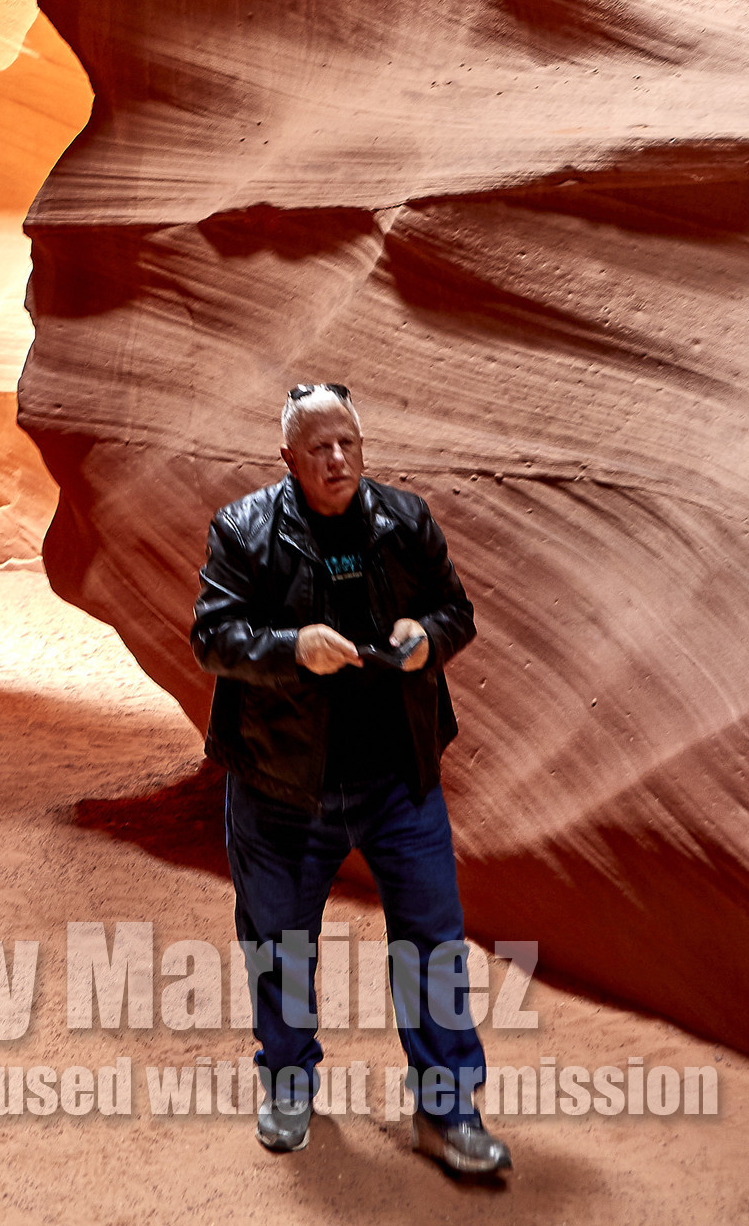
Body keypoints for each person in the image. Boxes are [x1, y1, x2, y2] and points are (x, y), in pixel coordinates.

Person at [191, 381, 511, 1178]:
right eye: (320, 449)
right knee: (278, 942)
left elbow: (456, 610)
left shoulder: (405, 521)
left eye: (349, 445)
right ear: (289, 461)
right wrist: (291, 648)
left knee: (433, 944)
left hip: (396, 779)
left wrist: (426, 637)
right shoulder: (244, 529)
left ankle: (448, 1114)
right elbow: (214, 637)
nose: (337, 460)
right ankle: (288, 1083)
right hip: (281, 783)